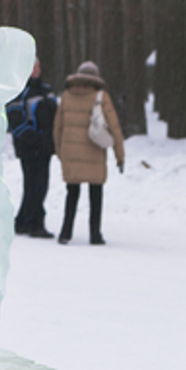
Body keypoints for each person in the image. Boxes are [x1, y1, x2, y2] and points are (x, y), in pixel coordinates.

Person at [53, 60, 125, 245]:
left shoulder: (67, 95)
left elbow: (57, 127)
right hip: (94, 152)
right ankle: (95, 234)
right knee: (95, 193)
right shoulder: (100, 95)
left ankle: (65, 233)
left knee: (72, 193)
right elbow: (114, 128)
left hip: (71, 152)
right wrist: (120, 156)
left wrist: (61, 152)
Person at [7, 59, 58, 238]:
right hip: (30, 148)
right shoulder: (19, 91)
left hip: (46, 147)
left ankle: (22, 221)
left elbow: (56, 116)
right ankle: (35, 223)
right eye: (32, 67)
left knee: (39, 184)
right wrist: (34, 139)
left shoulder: (47, 90)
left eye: (38, 67)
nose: (36, 70)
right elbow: (15, 120)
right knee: (35, 185)